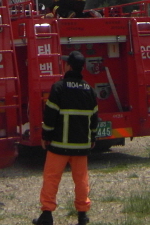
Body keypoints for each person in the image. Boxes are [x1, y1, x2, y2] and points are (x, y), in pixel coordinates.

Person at [33, 51, 99, 225]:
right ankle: (82, 215)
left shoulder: (58, 88)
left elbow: (50, 116)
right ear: (82, 68)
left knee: (51, 178)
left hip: (59, 145)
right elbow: (94, 118)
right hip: (81, 145)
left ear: (68, 66)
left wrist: (46, 135)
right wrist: (92, 137)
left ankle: (47, 215)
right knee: (81, 180)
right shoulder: (89, 90)